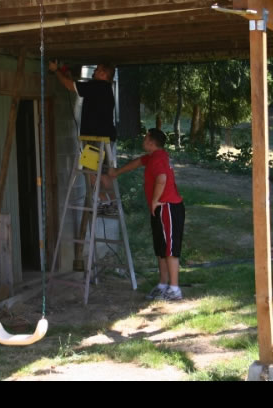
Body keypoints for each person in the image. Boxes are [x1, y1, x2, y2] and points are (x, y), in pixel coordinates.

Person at [108, 128, 185, 301]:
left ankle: (174, 289)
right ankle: (163, 284)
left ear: (151, 142)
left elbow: (162, 178)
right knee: (161, 249)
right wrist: (116, 173)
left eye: (145, 138)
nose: (143, 140)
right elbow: (138, 162)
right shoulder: (154, 156)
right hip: (161, 208)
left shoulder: (157, 158)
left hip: (168, 207)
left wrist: (155, 200)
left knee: (170, 249)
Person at [49, 60, 117, 213]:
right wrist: (65, 73)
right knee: (104, 172)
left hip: (96, 138)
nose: (94, 71)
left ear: (103, 74)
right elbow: (74, 84)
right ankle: (112, 203)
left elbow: (69, 86)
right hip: (107, 137)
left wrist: (55, 70)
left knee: (90, 171)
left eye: (97, 69)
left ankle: (103, 202)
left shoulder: (96, 86)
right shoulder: (105, 88)